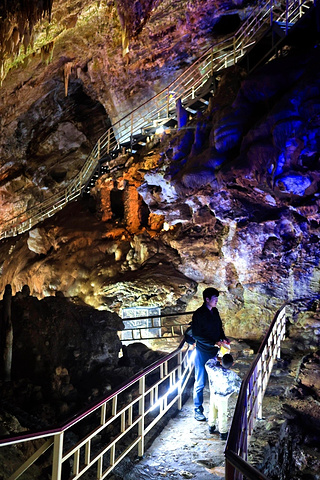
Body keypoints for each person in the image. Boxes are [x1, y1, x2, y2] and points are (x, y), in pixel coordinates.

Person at [191, 287, 229, 421]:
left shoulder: (215, 311)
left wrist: (223, 338)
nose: (217, 301)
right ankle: (197, 409)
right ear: (207, 299)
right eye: (215, 299)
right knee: (200, 381)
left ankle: (216, 409)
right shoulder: (198, 314)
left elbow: (219, 327)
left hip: (215, 351)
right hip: (202, 351)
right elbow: (196, 334)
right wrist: (213, 342)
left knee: (216, 380)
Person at [205, 353, 241, 440]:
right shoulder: (233, 376)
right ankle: (223, 432)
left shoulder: (214, 370)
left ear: (221, 362)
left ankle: (211, 426)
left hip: (213, 394)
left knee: (212, 411)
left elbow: (207, 364)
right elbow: (239, 387)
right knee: (222, 415)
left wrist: (215, 357)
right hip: (223, 398)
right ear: (233, 364)